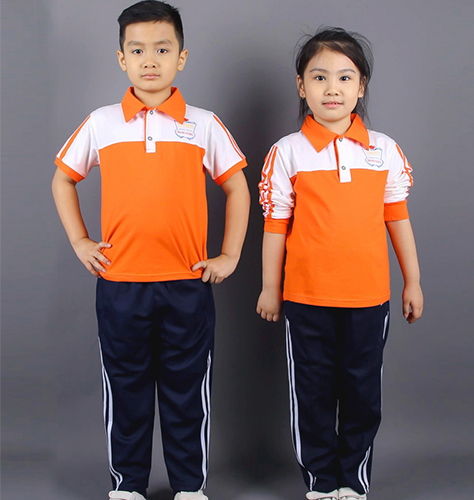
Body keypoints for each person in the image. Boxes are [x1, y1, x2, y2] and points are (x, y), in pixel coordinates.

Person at [52, 2, 250, 499]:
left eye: (162, 49)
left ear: (181, 57)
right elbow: (63, 179)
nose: (150, 60)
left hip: (188, 283)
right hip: (120, 285)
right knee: (126, 391)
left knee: (188, 391)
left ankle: (189, 488)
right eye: (137, 50)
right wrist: (80, 240)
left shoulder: (203, 124)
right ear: (122, 59)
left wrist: (229, 255)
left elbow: (237, 187)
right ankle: (127, 487)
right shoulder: (101, 122)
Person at [256, 27, 423, 500]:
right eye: (320, 77)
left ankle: (353, 482)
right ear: (301, 86)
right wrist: (270, 287)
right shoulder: (287, 152)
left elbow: (398, 219)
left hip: (369, 300)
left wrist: (412, 280)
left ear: (361, 86)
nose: (333, 88)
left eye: (345, 77)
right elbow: (275, 226)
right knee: (311, 394)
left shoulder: (383, 150)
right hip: (306, 299)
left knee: (362, 395)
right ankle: (321, 483)